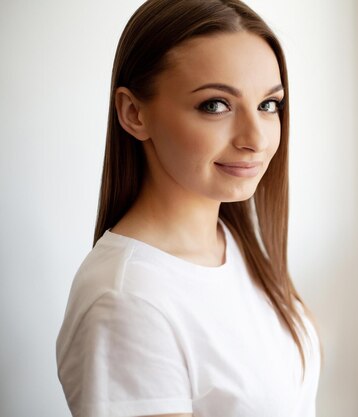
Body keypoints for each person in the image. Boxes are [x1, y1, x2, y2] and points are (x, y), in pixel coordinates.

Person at [55, 1, 321, 416]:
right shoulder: (128, 301)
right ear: (133, 112)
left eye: (269, 104)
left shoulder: (233, 242)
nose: (256, 138)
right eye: (215, 105)